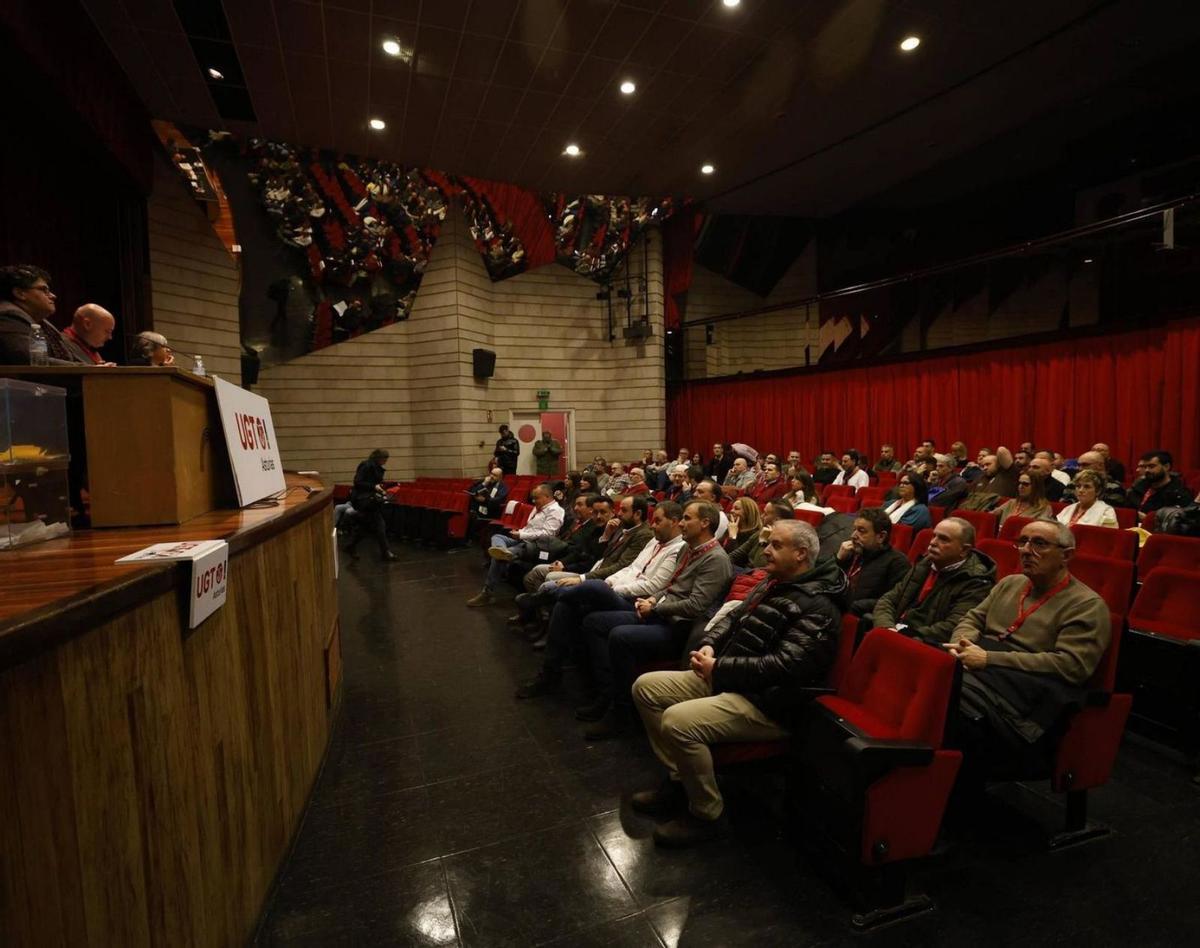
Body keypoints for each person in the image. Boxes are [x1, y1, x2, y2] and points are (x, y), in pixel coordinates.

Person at [630, 520, 844, 846]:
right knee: (646, 687)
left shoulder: (819, 604)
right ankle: (682, 779)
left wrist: (720, 668)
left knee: (678, 721)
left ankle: (706, 812)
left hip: (770, 703)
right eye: (767, 543)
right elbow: (732, 618)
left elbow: (787, 666)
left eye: (776, 545)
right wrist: (711, 644)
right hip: (732, 678)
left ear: (801, 554)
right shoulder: (772, 582)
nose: (766, 550)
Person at [944, 519, 1110, 790]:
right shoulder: (1010, 583)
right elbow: (972, 618)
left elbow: (1072, 666)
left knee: (946, 704)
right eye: (1022, 541)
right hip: (980, 671)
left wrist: (988, 658)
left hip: (1023, 701)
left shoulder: (1087, 606)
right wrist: (959, 647)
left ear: (1066, 555)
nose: (1025, 550)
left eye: (1039, 543)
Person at [577, 501, 733, 739]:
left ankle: (621, 713)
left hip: (680, 627)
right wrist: (652, 599)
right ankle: (606, 693)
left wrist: (657, 609)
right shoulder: (687, 548)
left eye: (687, 518)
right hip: (661, 614)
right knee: (593, 621)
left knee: (620, 637)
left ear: (705, 523)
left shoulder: (716, 559)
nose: (681, 522)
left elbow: (696, 606)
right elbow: (671, 586)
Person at [515, 501, 686, 703]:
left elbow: (652, 586)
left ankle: (543, 598)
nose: (653, 525)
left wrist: (610, 588)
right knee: (567, 605)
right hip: (618, 589)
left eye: (658, 521)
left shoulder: (678, 548)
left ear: (674, 522)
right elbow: (630, 568)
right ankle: (550, 674)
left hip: (635, 601)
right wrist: (609, 583)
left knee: (591, 588)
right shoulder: (654, 541)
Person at [870, 517, 996, 645]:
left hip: (924, 643)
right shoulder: (924, 563)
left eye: (943, 539)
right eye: (934, 536)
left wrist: (904, 635)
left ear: (964, 550)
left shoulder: (976, 581)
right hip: (896, 630)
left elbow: (953, 626)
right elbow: (888, 599)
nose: (933, 542)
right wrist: (886, 627)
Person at [469, 484, 563, 605]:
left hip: (536, 546)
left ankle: (487, 592)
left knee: (498, 558)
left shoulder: (556, 511)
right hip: (523, 539)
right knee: (497, 537)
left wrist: (522, 535)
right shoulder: (538, 507)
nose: (534, 501)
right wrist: (520, 532)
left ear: (547, 496)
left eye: (536, 498)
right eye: (533, 498)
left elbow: (548, 534)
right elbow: (530, 528)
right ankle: (502, 551)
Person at [836, 507, 911, 616]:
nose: (853, 536)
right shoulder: (850, 552)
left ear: (881, 536)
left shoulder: (898, 563)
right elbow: (829, 584)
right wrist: (839, 560)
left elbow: (892, 601)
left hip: (861, 618)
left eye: (861, 531)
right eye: (854, 530)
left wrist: (852, 606)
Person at [0, 264, 70, 364]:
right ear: (20, 293)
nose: (53, 296)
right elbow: (33, 361)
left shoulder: (42, 322)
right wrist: (84, 368)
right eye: (43, 290)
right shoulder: (8, 317)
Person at [345, 448, 397, 561]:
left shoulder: (375, 466)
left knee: (367, 526)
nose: (385, 461)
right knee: (379, 524)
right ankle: (385, 552)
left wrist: (383, 487)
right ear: (378, 458)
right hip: (364, 500)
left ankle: (351, 546)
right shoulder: (366, 465)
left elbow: (374, 482)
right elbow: (358, 482)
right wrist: (374, 487)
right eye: (384, 459)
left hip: (369, 500)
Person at [730, 498, 794, 570]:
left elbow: (759, 567)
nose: (761, 516)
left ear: (777, 521)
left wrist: (763, 542)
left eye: (765, 514)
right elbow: (733, 556)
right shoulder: (759, 533)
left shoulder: (784, 544)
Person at [1128, 450, 1192, 514]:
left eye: (1151, 466)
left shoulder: (1179, 494)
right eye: (1145, 467)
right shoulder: (1139, 486)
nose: (1147, 470)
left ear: (1166, 467)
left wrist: (1148, 518)